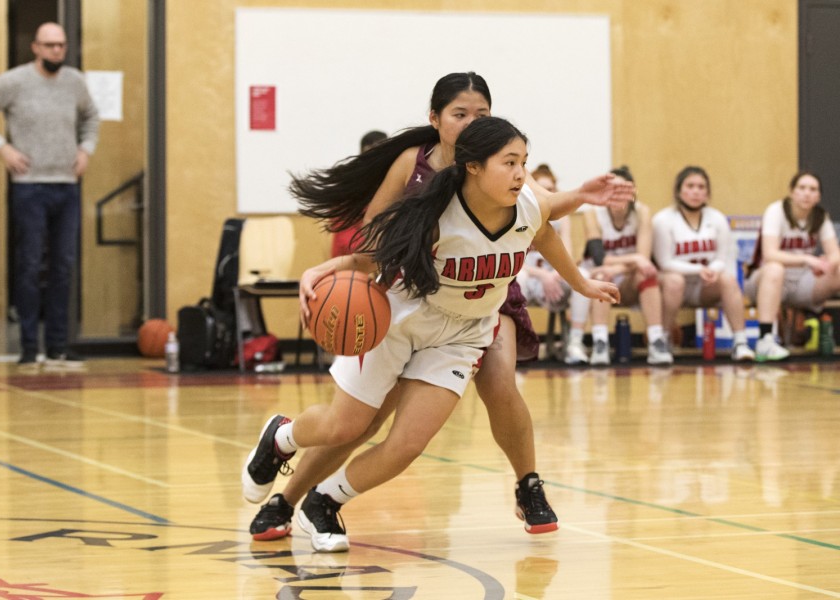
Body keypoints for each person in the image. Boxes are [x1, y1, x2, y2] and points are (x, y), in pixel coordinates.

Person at [245, 73, 631, 547]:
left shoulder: (521, 197)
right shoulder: (430, 195)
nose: (518, 172)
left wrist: (583, 281)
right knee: (352, 424)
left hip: (468, 324)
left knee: (422, 434)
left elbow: (545, 223)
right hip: (405, 310)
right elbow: (374, 249)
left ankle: (326, 501)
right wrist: (326, 270)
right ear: (456, 143)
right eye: (461, 115)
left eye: (521, 163)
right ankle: (283, 442)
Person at [0, 22, 99, 368]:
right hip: (29, 186)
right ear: (35, 47)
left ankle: (58, 346)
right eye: (49, 45)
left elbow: (91, 117)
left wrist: (85, 149)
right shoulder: (13, 82)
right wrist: (2, 148)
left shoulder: (75, 82)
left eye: (61, 45)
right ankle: (30, 347)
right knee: (30, 265)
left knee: (62, 265)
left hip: (66, 185)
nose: (56, 51)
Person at [566, 166, 673, 365]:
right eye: (611, 190)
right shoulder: (593, 214)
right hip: (599, 276)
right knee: (602, 277)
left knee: (647, 273)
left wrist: (619, 267)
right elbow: (600, 259)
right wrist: (631, 261)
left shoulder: (642, 212)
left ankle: (656, 340)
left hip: (627, 277)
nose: (616, 195)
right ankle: (600, 342)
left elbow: (643, 258)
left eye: (621, 190)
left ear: (632, 193)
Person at [652, 166, 755, 361]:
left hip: (704, 286)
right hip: (673, 285)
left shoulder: (716, 218)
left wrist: (713, 271)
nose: (696, 191)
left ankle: (740, 342)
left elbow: (721, 258)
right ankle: (663, 340)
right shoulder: (663, 220)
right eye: (690, 186)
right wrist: (699, 269)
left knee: (728, 280)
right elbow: (665, 262)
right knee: (674, 281)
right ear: (678, 191)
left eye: (701, 187)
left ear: (708, 193)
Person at [744, 171, 840, 361]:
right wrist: (807, 259)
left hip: (802, 282)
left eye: (812, 189)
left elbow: (834, 253)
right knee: (775, 268)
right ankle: (765, 340)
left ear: (819, 196)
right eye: (802, 188)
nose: (807, 193)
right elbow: (770, 254)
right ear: (791, 192)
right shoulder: (776, 211)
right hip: (763, 281)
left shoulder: (820, 216)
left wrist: (829, 264)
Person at [514, 165, 575, 359]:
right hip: (531, 277)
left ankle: (576, 341)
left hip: (554, 280)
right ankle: (518, 343)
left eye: (551, 189)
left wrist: (554, 276)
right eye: (542, 189)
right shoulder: (517, 215)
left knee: (583, 275)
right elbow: (514, 263)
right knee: (517, 278)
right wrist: (543, 276)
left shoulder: (562, 219)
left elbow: (569, 256)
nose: (547, 194)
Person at [330, 130, 387, 257]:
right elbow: (342, 233)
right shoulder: (348, 182)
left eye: (379, 152)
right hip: (352, 253)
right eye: (370, 152)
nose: (375, 158)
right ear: (362, 154)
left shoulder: (394, 177)